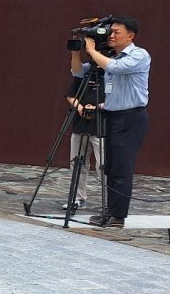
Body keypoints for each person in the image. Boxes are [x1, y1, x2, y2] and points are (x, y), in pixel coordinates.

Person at [74, 16, 151, 229]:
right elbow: (79, 72)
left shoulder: (139, 55)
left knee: (121, 168)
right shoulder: (107, 56)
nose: (112, 35)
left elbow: (116, 69)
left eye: (117, 32)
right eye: (110, 32)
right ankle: (111, 210)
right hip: (112, 116)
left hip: (130, 118)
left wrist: (92, 51)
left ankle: (118, 216)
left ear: (130, 35)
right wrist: (76, 52)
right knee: (109, 167)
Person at [62, 59, 105, 211]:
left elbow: (117, 99)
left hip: (101, 126)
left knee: (103, 165)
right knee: (77, 163)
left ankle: (108, 201)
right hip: (80, 124)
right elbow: (70, 94)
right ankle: (77, 198)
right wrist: (79, 107)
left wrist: (98, 107)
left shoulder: (112, 74)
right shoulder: (84, 72)